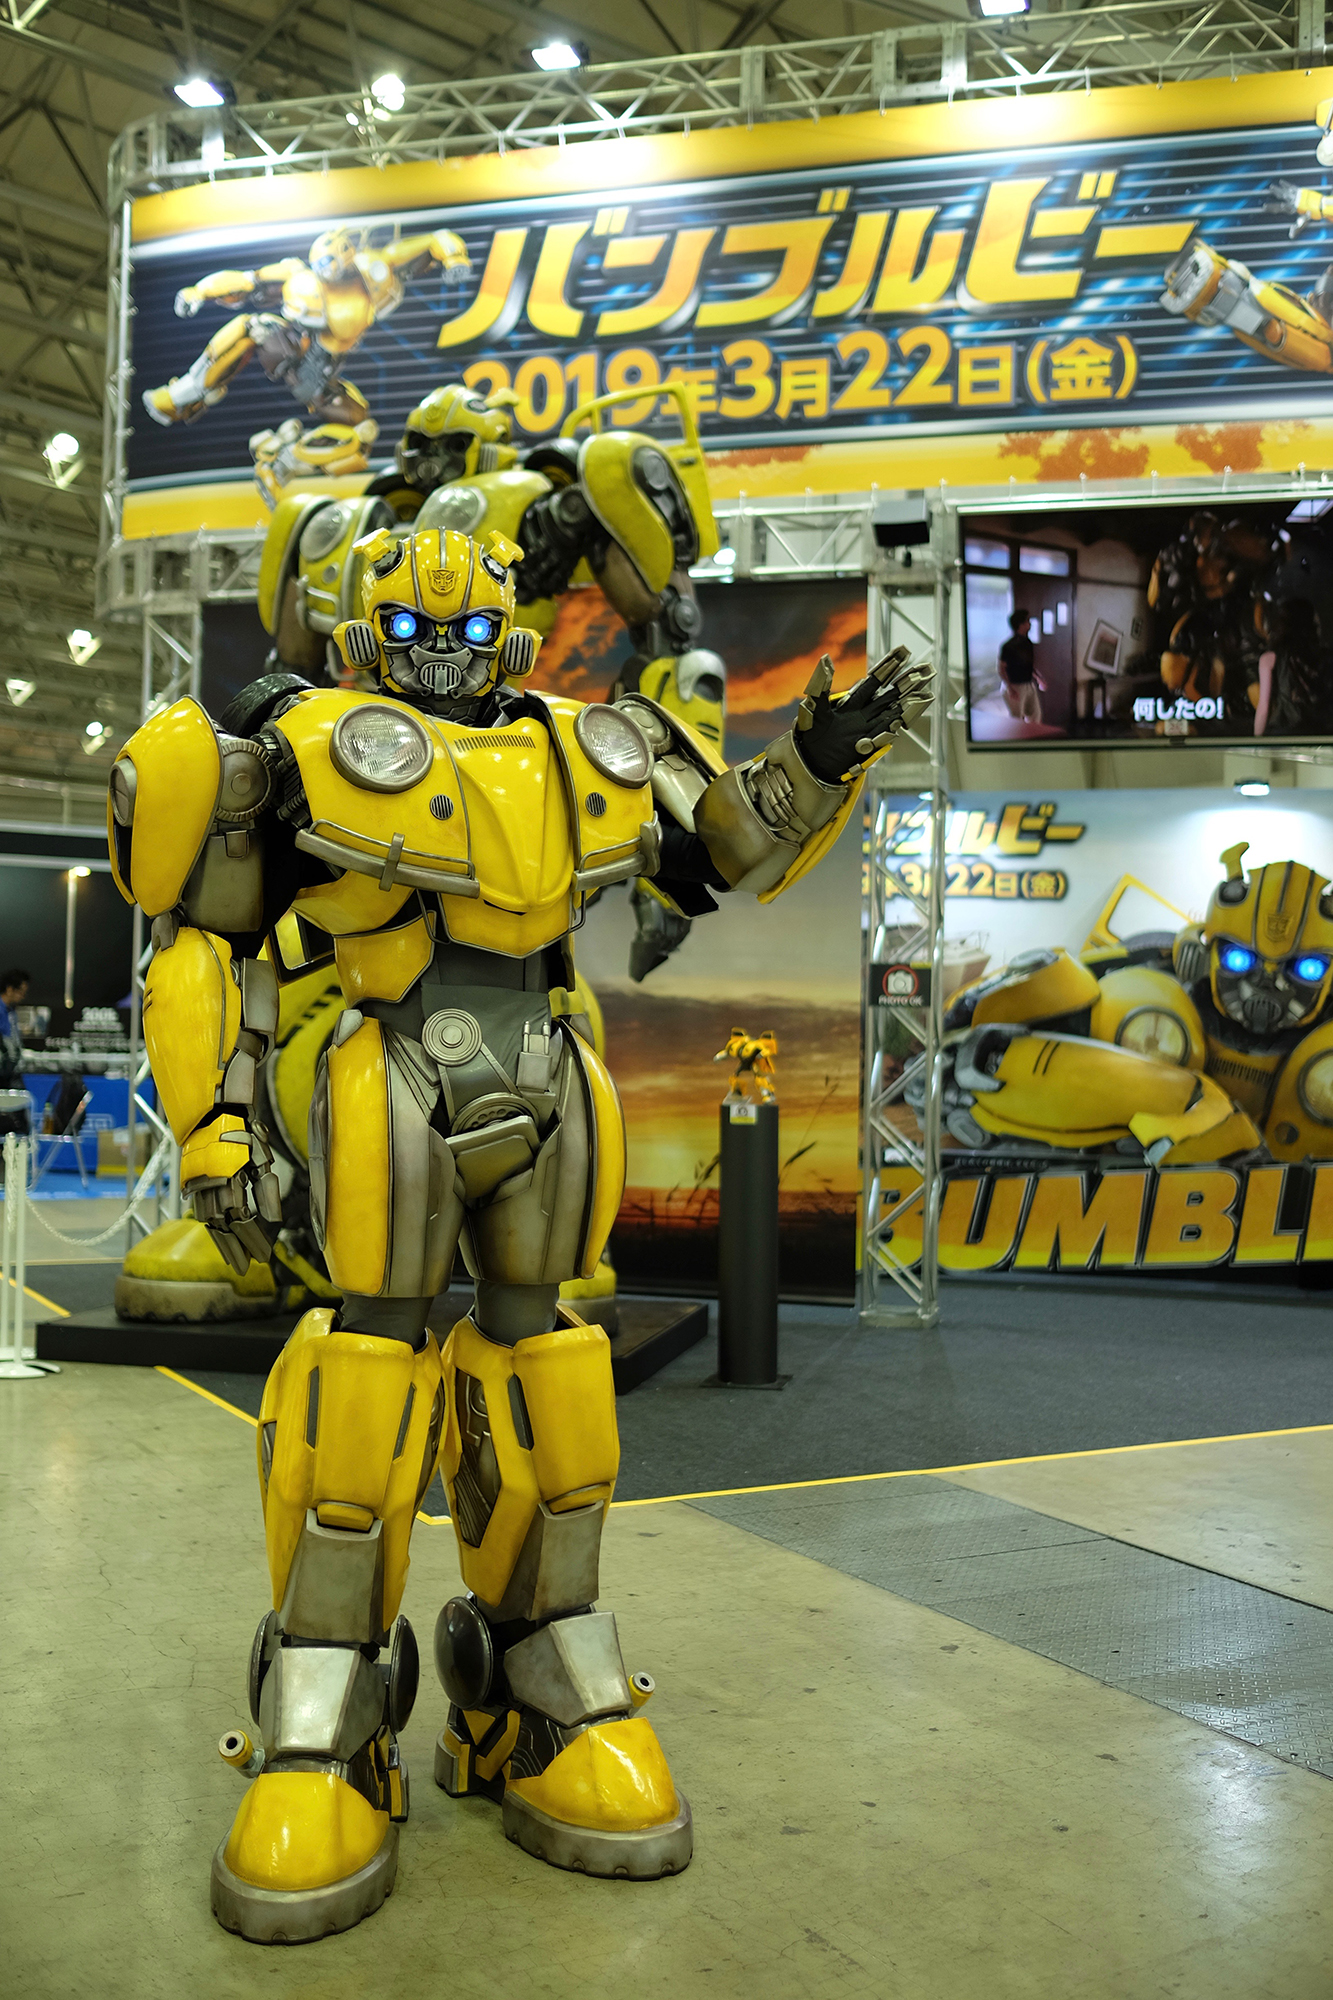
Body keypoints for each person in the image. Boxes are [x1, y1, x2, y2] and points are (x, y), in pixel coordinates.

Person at [999, 610, 1044, 723]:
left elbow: (1028, 665)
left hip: (1028, 684)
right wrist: (1010, 688)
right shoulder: (1008, 646)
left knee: (1035, 716)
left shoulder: (1028, 643)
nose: (1030, 624)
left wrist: (1038, 678)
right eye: (1027, 621)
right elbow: (1001, 669)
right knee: (1017, 719)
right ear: (1021, 624)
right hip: (1015, 685)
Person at [0, 967, 29, 1135]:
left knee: (19, 1116)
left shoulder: (11, 1011)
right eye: (21, 992)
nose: (22, 997)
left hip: (10, 1070)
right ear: (10, 989)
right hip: (4, 1072)